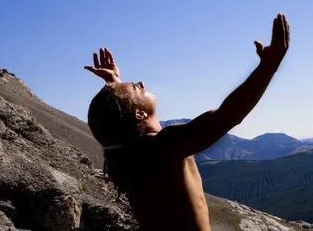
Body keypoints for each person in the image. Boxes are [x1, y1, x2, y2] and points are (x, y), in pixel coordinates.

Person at [85, 13, 290, 231]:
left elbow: (118, 118)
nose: (142, 82)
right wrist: (269, 65)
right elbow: (228, 115)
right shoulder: (164, 146)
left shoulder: (133, 151)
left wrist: (115, 82)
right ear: (139, 115)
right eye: (137, 87)